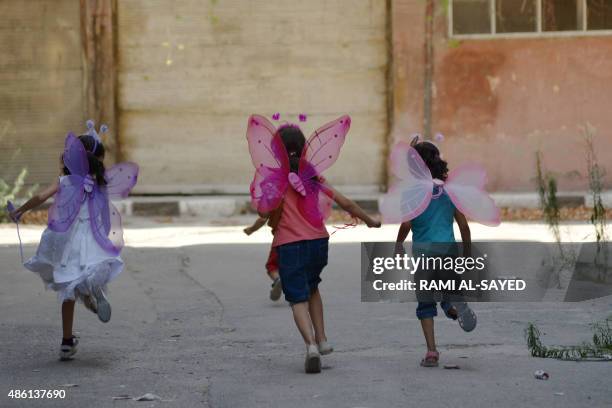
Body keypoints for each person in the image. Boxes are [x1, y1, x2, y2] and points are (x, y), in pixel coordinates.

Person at [253, 122, 381, 373]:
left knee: (297, 298)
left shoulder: (273, 179)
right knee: (312, 288)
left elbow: (263, 211)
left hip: (290, 245)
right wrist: (370, 221)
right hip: (319, 244)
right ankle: (322, 339)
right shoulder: (312, 174)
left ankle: (310, 346)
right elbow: (345, 202)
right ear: (304, 148)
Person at [9, 122, 138, 360]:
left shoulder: (64, 182)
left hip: (66, 240)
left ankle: (67, 341)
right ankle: (93, 290)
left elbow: (40, 197)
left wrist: (20, 211)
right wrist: (105, 236)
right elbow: (103, 215)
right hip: (90, 239)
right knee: (91, 269)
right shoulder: (99, 183)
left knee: (68, 287)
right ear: (98, 161)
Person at [393, 140, 478, 368]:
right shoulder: (449, 190)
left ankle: (431, 351)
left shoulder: (412, 193)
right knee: (449, 291)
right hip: (448, 252)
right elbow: (464, 226)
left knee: (425, 304)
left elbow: (406, 225)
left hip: (423, 257)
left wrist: (398, 244)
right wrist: (468, 254)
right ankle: (452, 306)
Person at [243, 216, 283, 301]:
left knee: (272, 265)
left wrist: (251, 229)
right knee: (296, 265)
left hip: (281, 239)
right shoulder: (304, 201)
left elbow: (263, 219)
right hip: (303, 238)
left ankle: (277, 279)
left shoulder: (277, 202)